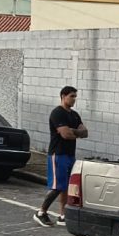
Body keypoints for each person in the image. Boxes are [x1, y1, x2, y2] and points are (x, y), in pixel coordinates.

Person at [34, 86, 87, 227]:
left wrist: (73, 130)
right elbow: (65, 134)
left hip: (70, 154)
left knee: (67, 187)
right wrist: (75, 132)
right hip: (58, 154)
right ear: (63, 96)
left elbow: (85, 132)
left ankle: (63, 215)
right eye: (72, 96)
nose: (74, 99)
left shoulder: (74, 115)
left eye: (75, 96)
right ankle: (41, 212)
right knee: (57, 186)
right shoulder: (57, 113)